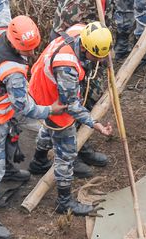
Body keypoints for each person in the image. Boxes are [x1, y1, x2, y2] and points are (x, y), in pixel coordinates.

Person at [0, 0, 66, 239]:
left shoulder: (2, 29)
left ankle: (10, 171)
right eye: (28, 51)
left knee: (10, 140)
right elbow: (25, 107)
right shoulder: (12, 72)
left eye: (34, 48)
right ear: (15, 44)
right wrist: (50, 110)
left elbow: (2, 6)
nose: (32, 54)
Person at [28, 21, 115, 216]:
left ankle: (39, 161)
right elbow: (71, 106)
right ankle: (64, 202)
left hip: (41, 87)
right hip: (50, 99)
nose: (99, 61)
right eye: (97, 57)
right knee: (66, 153)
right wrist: (96, 124)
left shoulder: (80, 31)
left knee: (48, 127)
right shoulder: (66, 68)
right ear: (85, 49)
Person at [49, 0, 115, 171]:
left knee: (91, 96)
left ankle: (80, 142)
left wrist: (105, 50)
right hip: (73, 57)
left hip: (91, 50)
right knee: (68, 108)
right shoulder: (77, 5)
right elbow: (66, 38)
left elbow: (105, 23)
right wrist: (95, 124)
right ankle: (71, 151)